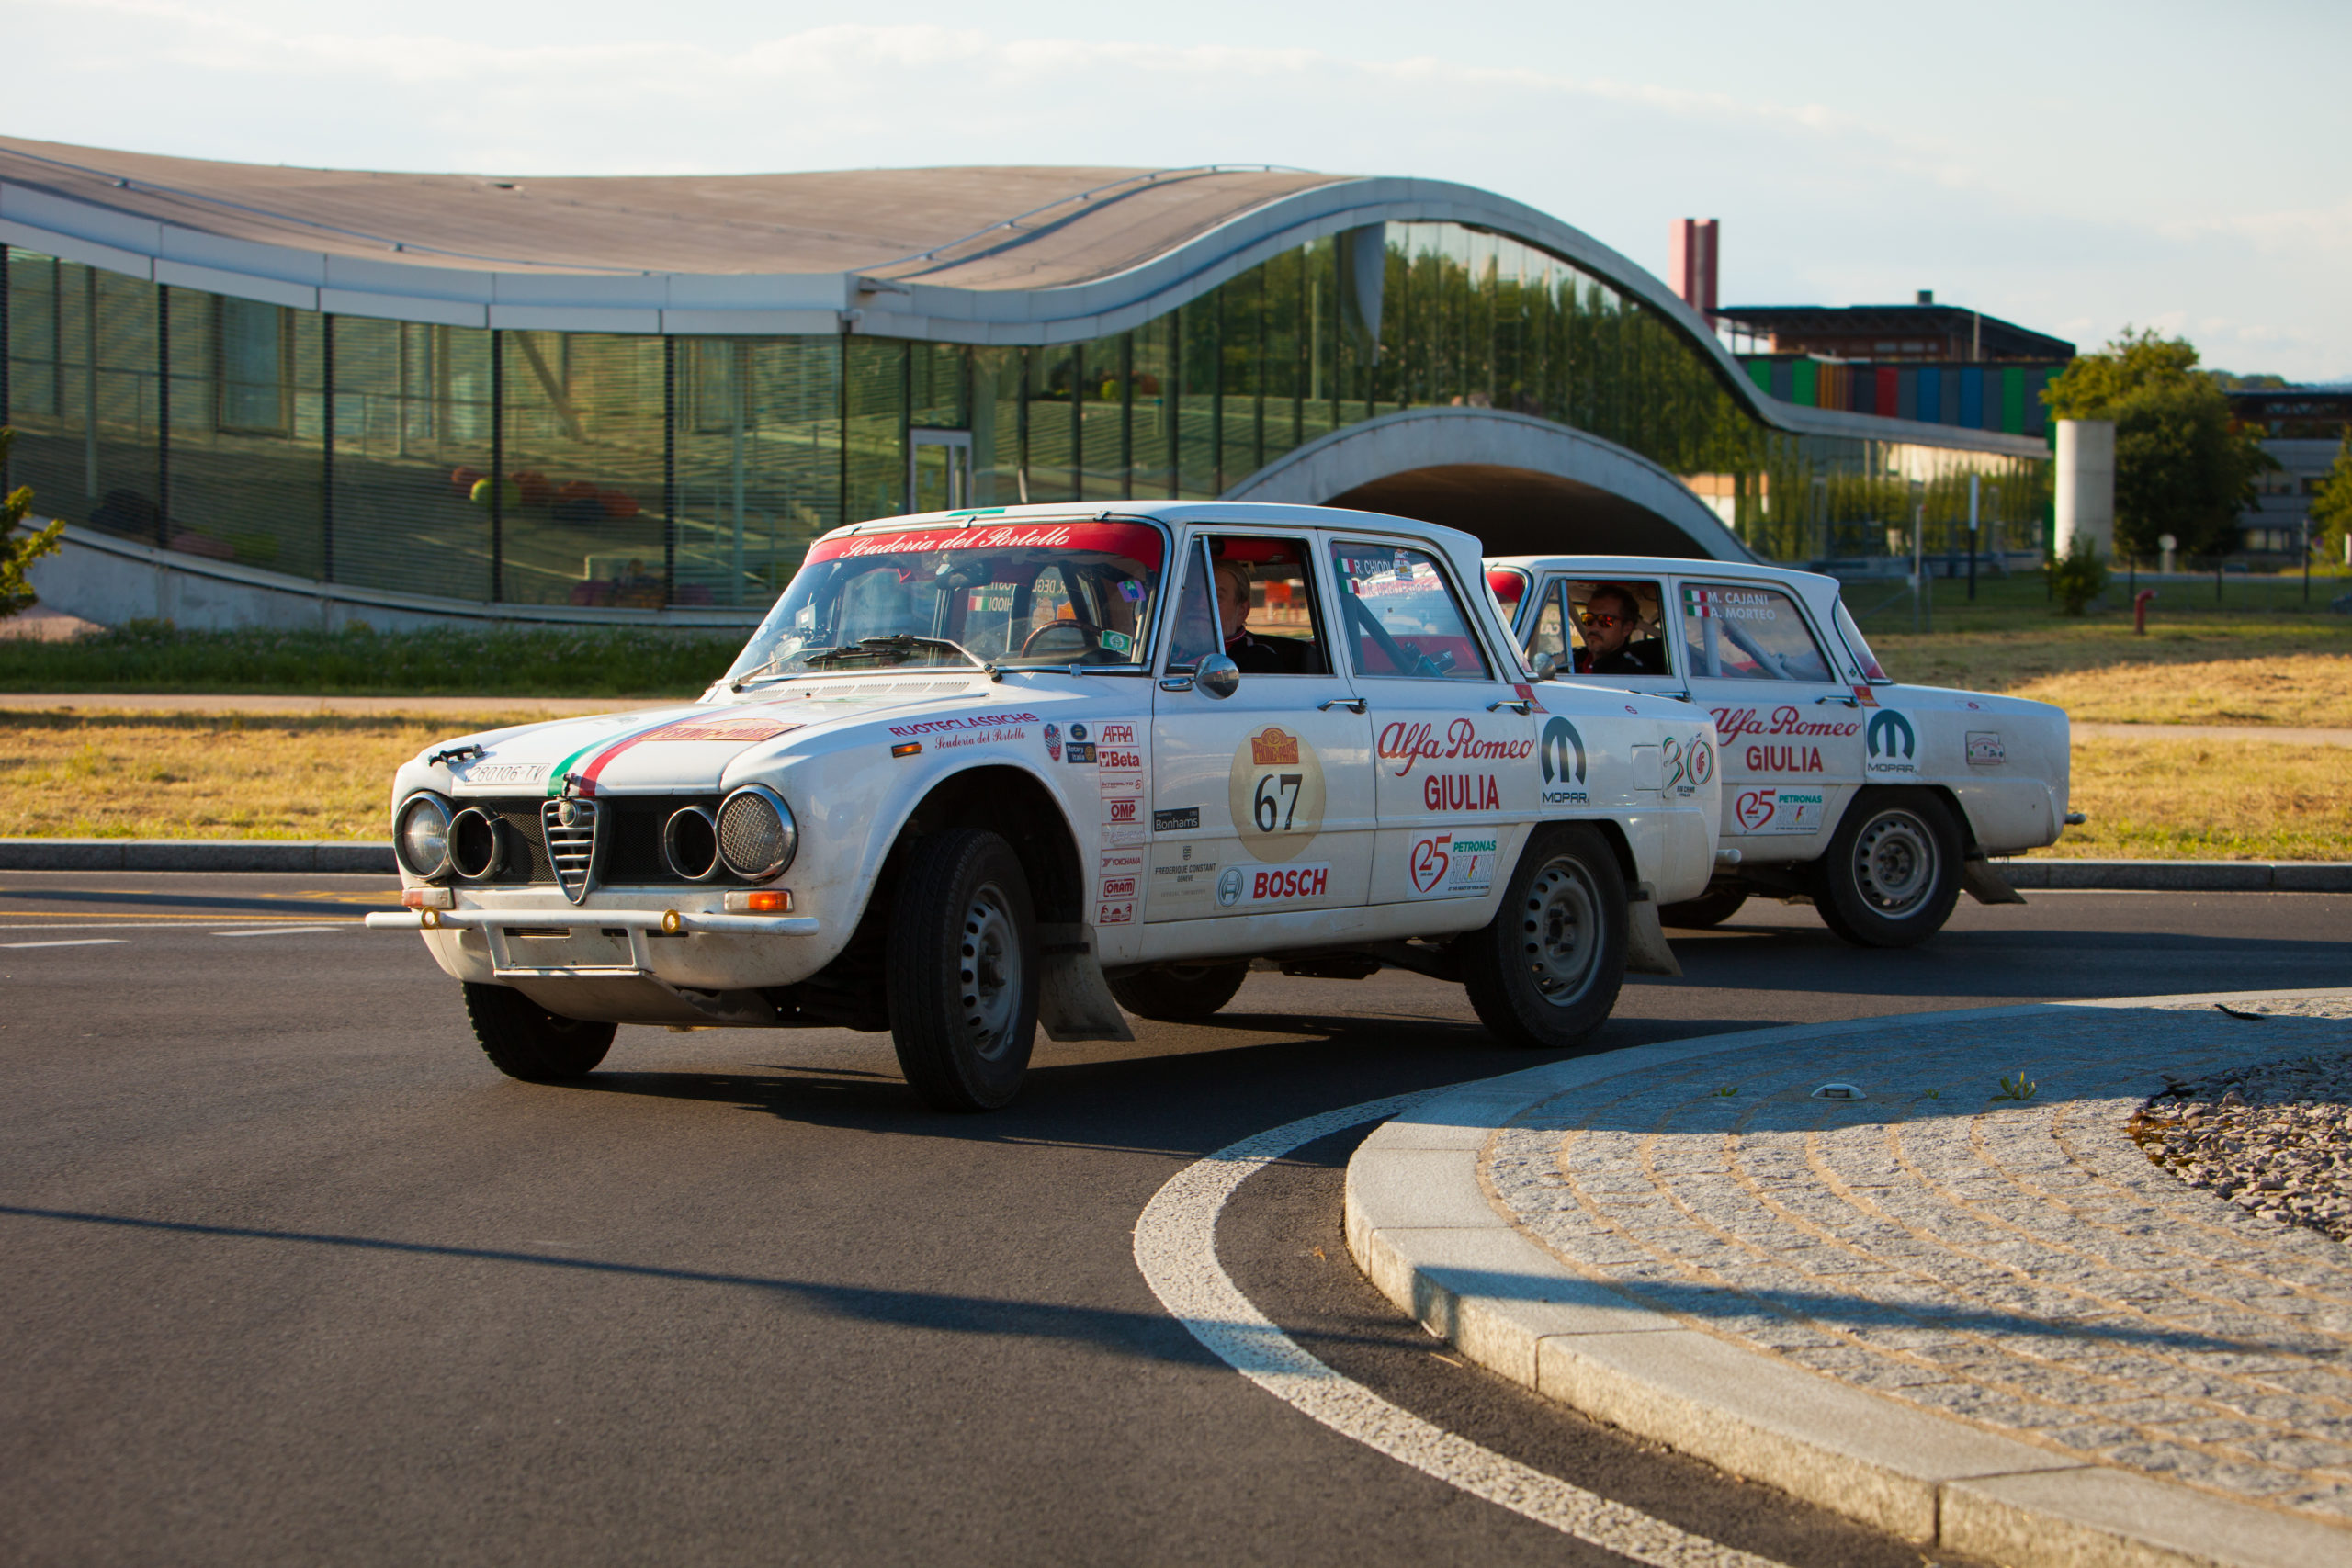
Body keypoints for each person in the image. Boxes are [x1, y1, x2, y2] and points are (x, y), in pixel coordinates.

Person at [1213, 557, 1307, 673]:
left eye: (1216, 596)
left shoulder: (1259, 661)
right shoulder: (1184, 650)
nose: (1201, 603)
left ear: (1242, 611)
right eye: (1194, 593)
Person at [1573, 582, 1668, 676]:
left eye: (1605, 620)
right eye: (1589, 619)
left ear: (1626, 628)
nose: (1594, 626)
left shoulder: (1632, 673)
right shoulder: (1575, 659)